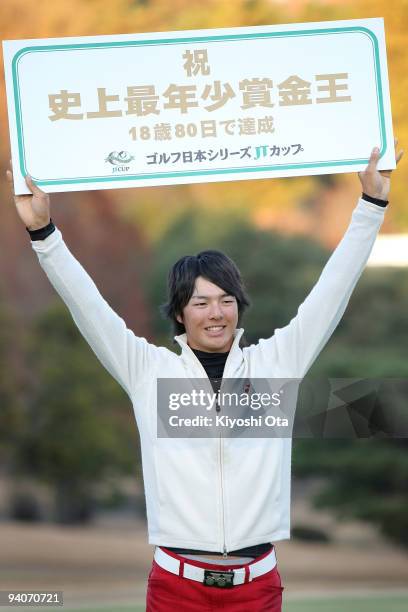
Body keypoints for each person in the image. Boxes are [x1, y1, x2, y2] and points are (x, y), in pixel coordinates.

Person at [6, 141, 403, 611]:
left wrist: (371, 206)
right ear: (179, 313)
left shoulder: (278, 364)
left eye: (226, 300)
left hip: (257, 589)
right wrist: (43, 233)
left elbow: (331, 291)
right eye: (200, 302)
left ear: (239, 306)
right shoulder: (148, 371)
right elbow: (89, 307)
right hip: (177, 590)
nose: (216, 313)